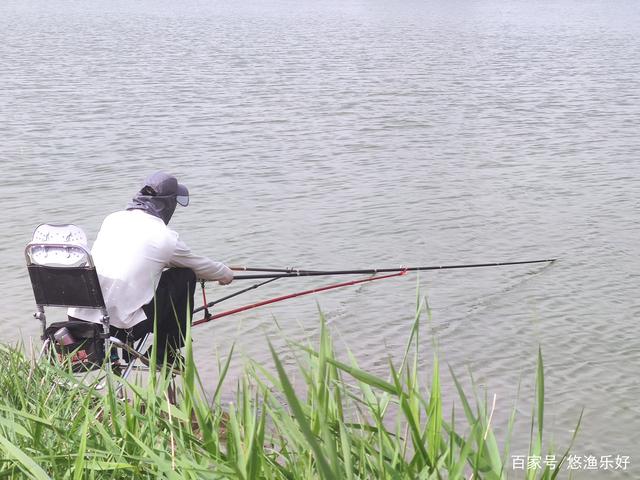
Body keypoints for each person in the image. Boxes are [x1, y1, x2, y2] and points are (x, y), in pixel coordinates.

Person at [68, 171, 233, 364]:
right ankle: (166, 352)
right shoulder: (165, 237)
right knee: (184, 276)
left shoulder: (112, 219)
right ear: (168, 203)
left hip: (78, 323)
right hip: (117, 329)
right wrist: (226, 274)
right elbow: (201, 267)